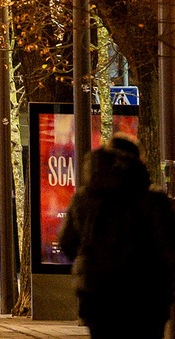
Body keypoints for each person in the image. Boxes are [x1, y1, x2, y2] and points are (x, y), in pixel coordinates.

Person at [60, 136, 175, 339]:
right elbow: (168, 247)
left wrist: (90, 264)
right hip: (145, 295)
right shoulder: (153, 200)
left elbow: (67, 242)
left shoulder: (83, 199)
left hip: (98, 293)